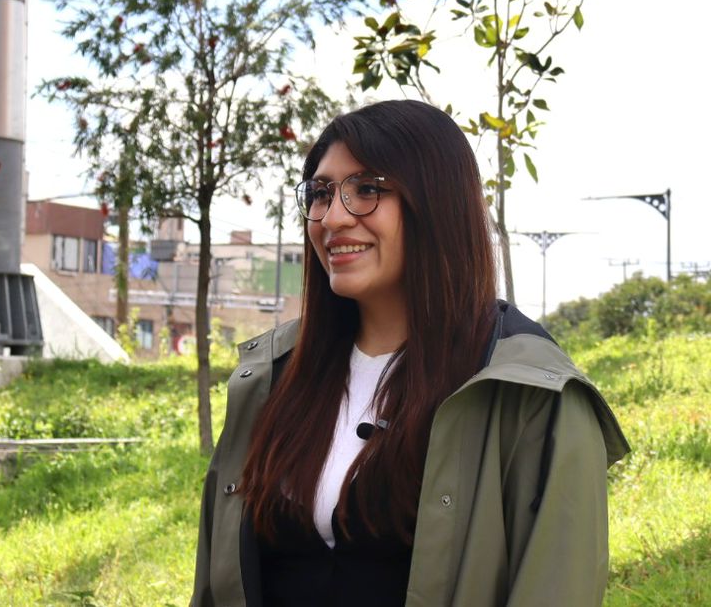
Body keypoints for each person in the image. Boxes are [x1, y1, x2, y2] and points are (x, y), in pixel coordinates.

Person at [191, 100, 627, 607]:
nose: (332, 218)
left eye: (367, 190)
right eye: (321, 193)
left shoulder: (531, 397)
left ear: (436, 204)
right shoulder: (269, 378)